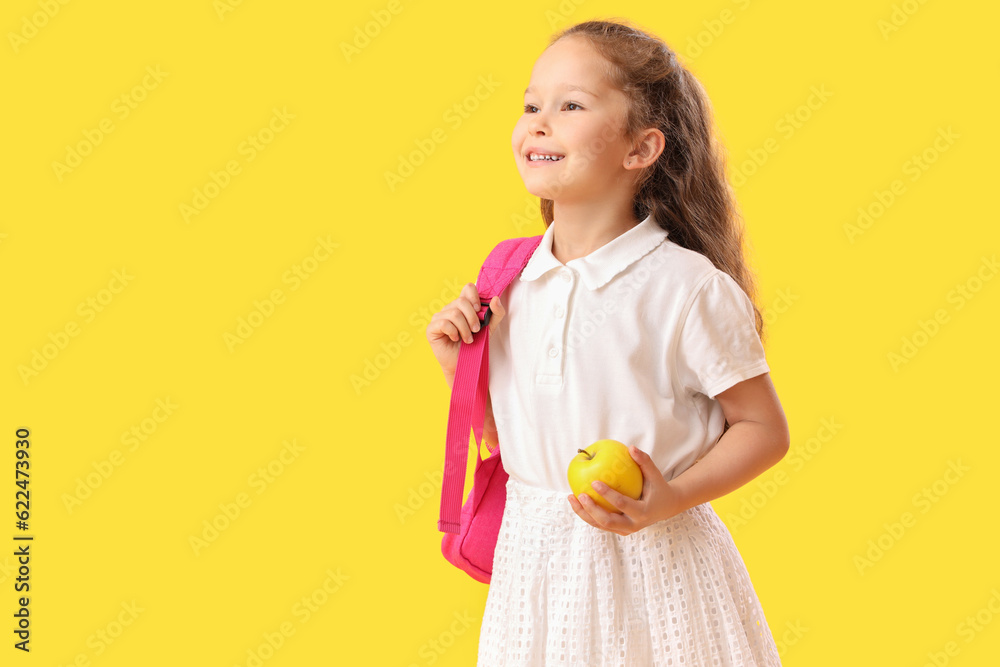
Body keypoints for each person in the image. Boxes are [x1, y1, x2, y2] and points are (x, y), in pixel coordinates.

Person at [425, 17, 789, 666]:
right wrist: (461, 367)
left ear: (641, 148)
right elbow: (518, 440)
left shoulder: (684, 287)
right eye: (532, 104)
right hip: (535, 571)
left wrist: (670, 497)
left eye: (570, 105)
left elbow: (764, 427)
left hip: (655, 568)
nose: (539, 121)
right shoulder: (508, 280)